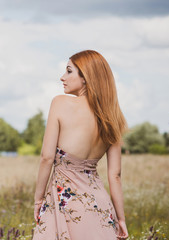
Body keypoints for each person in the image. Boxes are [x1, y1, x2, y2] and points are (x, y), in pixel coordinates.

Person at [32, 50, 129, 240]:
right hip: (99, 205)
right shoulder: (112, 118)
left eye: (69, 71)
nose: (62, 77)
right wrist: (121, 219)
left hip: (64, 203)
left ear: (86, 77)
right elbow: (115, 176)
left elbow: (47, 158)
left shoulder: (59, 103)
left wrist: (38, 199)